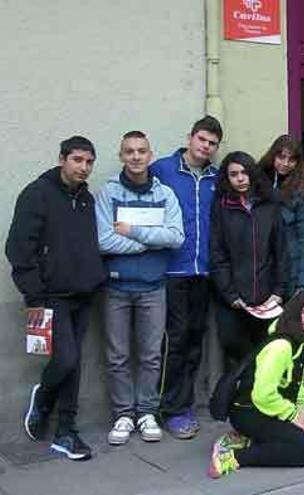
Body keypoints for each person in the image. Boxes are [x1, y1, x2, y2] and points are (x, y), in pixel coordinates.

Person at [9, 136, 106, 460]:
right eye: (78, 160)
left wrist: (94, 279)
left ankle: (66, 431)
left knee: (74, 363)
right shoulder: (37, 194)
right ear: (62, 159)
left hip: (82, 294)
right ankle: (44, 397)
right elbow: (19, 249)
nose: (84, 167)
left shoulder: (85, 198)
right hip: (50, 296)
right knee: (65, 360)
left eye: (89, 162)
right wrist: (34, 294)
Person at [95, 131, 184, 446]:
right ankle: (124, 414)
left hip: (153, 287)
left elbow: (175, 237)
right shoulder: (108, 192)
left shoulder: (166, 194)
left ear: (150, 155)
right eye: (129, 151)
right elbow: (103, 240)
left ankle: (147, 412)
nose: (135, 156)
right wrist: (150, 241)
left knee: (150, 356)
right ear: (121, 156)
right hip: (116, 287)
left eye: (141, 151)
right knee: (117, 356)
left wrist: (133, 231)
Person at [151, 115, 222, 439]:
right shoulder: (163, 170)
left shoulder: (217, 178)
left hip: (204, 272)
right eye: (202, 140)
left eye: (212, 143)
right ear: (190, 138)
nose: (206, 147)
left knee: (195, 340)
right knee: (175, 340)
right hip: (172, 270)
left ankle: (183, 402)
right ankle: (170, 408)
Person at [207, 291, 304, 478]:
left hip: (273, 407)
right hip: (249, 409)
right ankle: (232, 456)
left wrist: (302, 410)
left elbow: (299, 382)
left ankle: (245, 440)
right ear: (295, 314)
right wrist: (293, 415)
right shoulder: (281, 347)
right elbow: (263, 394)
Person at [210, 151, 288, 364]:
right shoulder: (222, 207)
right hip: (234, 299)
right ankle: (237, 395)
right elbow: (217, 254)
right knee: (234, 348)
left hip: (267, 298)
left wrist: (279, 291)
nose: (240, 178)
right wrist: (231, 295)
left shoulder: (269, 205)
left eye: (244, 172)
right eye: (234, 174)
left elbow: (280, 251)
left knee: (267, 352)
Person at [259, 135, 304, 295]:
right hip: (261, 268)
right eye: (281, 157)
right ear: (273, 155)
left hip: (290, 267)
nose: (285, 163)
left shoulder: (302, 192)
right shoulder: (257, 182)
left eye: (291, 159)